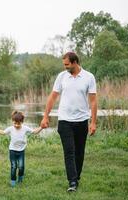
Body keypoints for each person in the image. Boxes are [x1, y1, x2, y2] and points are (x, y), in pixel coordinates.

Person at [40, 52, 97, 192]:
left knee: (79, 152)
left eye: (67, 64)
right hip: (64, 120)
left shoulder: (89, 77)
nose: (65, 67)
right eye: (64, 64)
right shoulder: (62, 77)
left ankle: (76, 177)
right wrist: (45, 116)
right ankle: (72, 182)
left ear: (75, 62)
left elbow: (93, 101)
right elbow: (53, 97)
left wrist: (93, 122)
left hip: (82, 120)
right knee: (69, 151)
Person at [0, 111, 42, 187]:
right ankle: (13, 182)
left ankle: (20, 179)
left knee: (21, 166)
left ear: (21, 122)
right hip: (12, 150)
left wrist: (41, 127)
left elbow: (34, 132)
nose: (16, 125)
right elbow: (3, 132)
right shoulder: (11, 129)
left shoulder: (25, 128)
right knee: (14, 166)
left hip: (21, 151)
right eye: (14, 123)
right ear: (13, 121)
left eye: (18, 123)